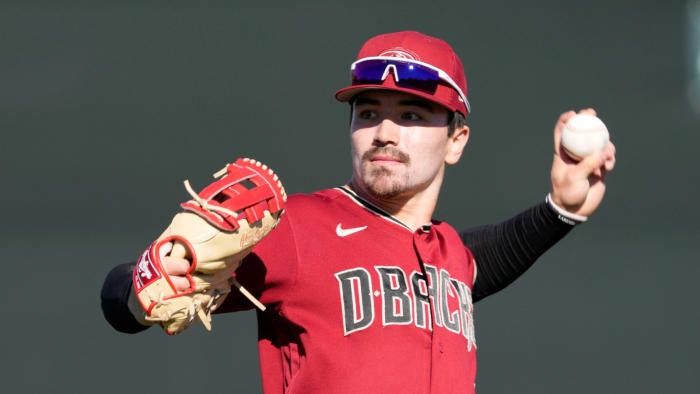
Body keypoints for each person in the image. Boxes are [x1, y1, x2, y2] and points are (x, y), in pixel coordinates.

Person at [101, 31, 616, 394]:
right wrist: (148, 279)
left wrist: (559, 212)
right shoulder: (300, 228)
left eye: (411, 115)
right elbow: (124, 298)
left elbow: (478, 262)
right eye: (369, 113)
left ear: (456, 140)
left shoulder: (446, 255)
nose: (385, 133)